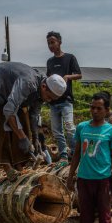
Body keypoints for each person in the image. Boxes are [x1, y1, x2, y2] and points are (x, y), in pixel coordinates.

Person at [0, 61, 67, 181]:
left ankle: (19, 165)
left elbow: (34, 115)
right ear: (43, 87)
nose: (48, 100)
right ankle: (7, 168)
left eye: (51, 99)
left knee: (24, 120)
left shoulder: (42, 90)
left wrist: (35, 138)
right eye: (49, 97)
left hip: (12, 93)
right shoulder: (28, 83)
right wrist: (22, 138)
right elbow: (9, 111)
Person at [67, 92, 112, 223]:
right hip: (84, 180)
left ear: (106, 110)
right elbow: (77, 154)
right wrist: (70, 177)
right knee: (85, 216)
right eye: (92, 107)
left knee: (105, 217)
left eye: (99, 108)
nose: (95, 111)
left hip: (103, 180)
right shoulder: (82, 127)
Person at [46, 31, 82, 166]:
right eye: (49, 43)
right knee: (57, 131)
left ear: (60, 42)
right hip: (53, 102)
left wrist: (68, 77)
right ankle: (63, 156)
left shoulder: (70, 58)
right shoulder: (50, 61)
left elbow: (79, 75)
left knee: (69, 127)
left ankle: (75, 153)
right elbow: (49, 80)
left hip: (66, 100)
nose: (50, 45)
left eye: (53, 42)